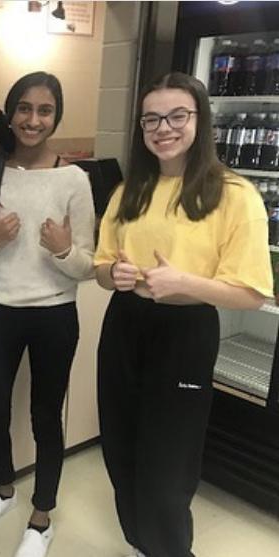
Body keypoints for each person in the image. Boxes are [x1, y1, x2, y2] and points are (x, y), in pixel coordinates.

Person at [94, 72, 272, 557]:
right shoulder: (129, 191)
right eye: (151, 119)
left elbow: (252, 294)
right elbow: (101, 268)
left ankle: (170, 549)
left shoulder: (234, 194)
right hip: (124, 324)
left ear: (200, 120)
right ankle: (141, 543)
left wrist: (184, 283)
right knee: (120, 446)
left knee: (167, 466)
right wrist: (114, 274)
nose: (163, 128)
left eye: (177, 116)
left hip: (185, 332)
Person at [0, 72, 95, 557]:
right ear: (10, 113)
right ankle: (4, 489)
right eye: (24, 108)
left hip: (54, 315)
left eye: (45, 110)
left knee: (45, 415)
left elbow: (86, 266)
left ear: (56, 117)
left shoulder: (74, 180)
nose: (33, 120)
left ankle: (41, 517)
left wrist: (63, 250)